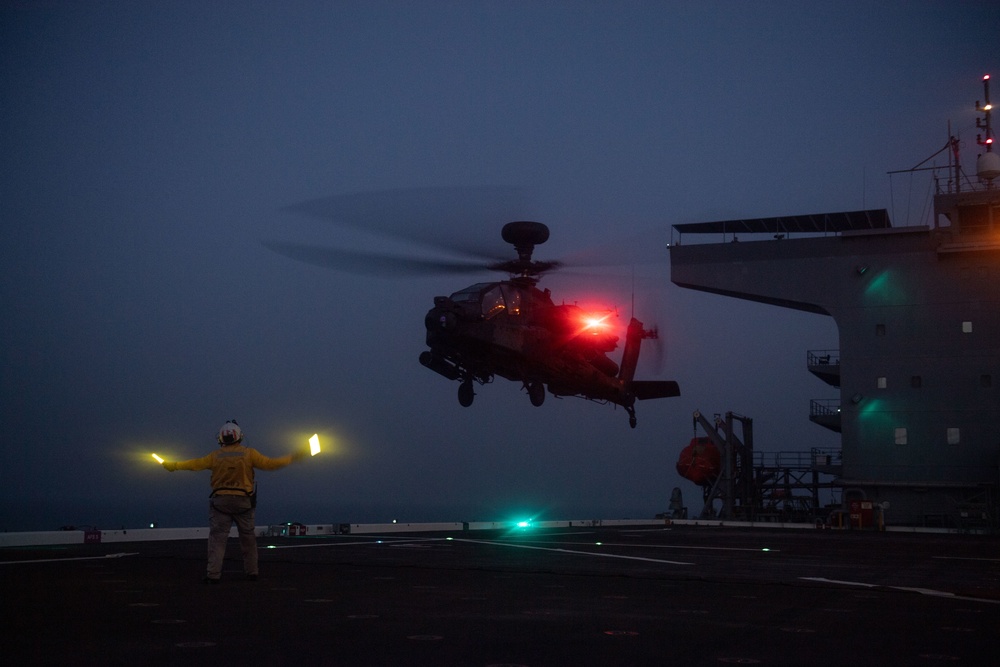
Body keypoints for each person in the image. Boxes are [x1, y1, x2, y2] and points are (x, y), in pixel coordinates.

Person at [161, 419, 306, 583]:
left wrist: (174, 465)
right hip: (244, 502)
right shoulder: (249, 454)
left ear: (221, 438)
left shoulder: (215, 456)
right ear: (239, 437)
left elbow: (194, 464)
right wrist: (293, 457)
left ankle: (213, 575)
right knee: (248, 539)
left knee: (217, 539)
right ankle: (252, 573)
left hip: (220, 503)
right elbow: (271, 464)